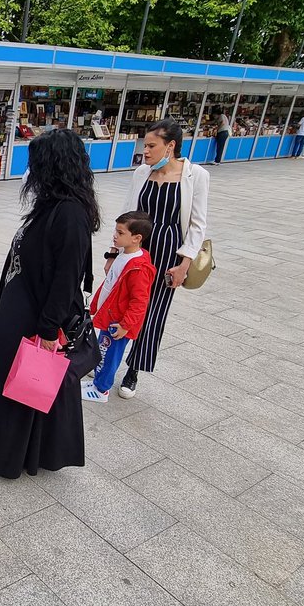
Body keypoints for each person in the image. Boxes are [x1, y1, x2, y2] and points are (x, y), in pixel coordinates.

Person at [0, 128, 101, 479]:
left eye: (35, 162)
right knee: (13, 384)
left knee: (23, 384)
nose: (30, 170)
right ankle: (3, 451)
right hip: (19, 310)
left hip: (34, 315)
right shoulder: (51, 205)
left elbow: (66, 279)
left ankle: (7, 455)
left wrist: (48, 327)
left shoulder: (70, 214)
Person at [117, 119, 209, 399]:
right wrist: (114, 253)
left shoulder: (197, 176)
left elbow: (197, 224)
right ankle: (104, 357)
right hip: (137, 248)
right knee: (121, 302)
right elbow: (128, 211)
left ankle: (133, 369)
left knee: (153, 311)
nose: (145, 151)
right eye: (144, 145)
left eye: (151, 145)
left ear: (171, 146)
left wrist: (185, 263)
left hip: (169, 250)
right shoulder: (142, 173)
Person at [81, 211, 156, 403]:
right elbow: (109, 286)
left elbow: (139, 302)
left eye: (121, 233)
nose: (115, 235)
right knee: (102, 351)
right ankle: (98, 382)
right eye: (116, 230)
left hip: (118, 324)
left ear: (137, 238)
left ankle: (101, 390)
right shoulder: (123, 256)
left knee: (108, 356)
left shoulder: (139, 267)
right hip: (110, 316)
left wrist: (125, 325)